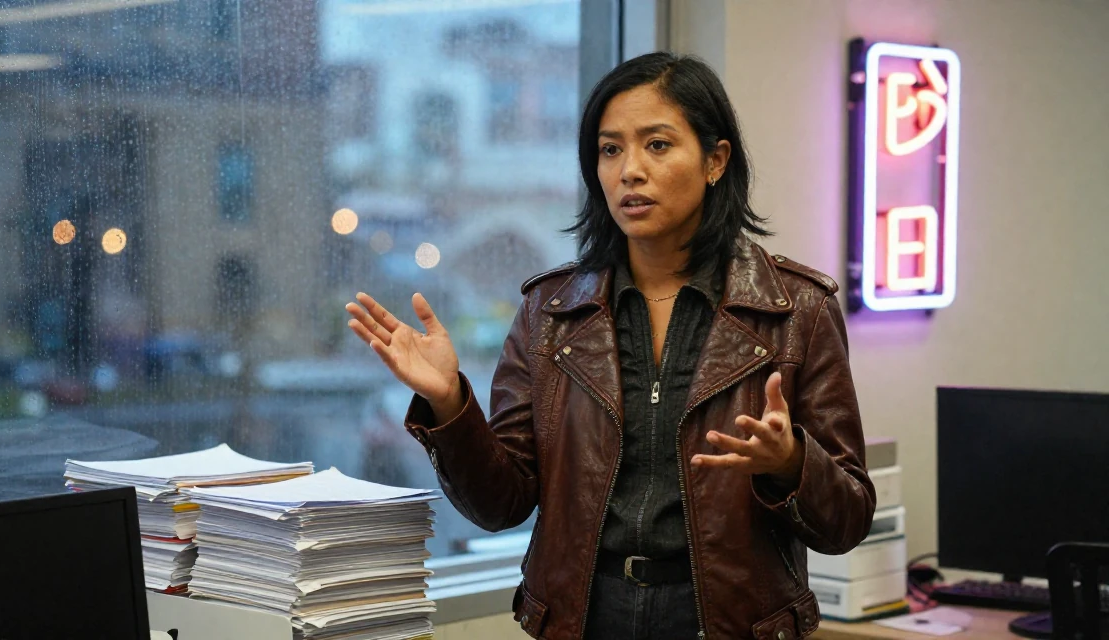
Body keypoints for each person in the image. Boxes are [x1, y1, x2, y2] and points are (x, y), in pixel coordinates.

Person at [345, 52, 874, 640]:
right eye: (610, 149)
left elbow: (847, 521)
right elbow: (501, 504)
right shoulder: (551, 312)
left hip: (730, 622)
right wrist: (450, 405)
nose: (629, 171)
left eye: (658, 145)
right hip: (585, 619)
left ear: (715, 161)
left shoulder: (796, 310)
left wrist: (791, 463)